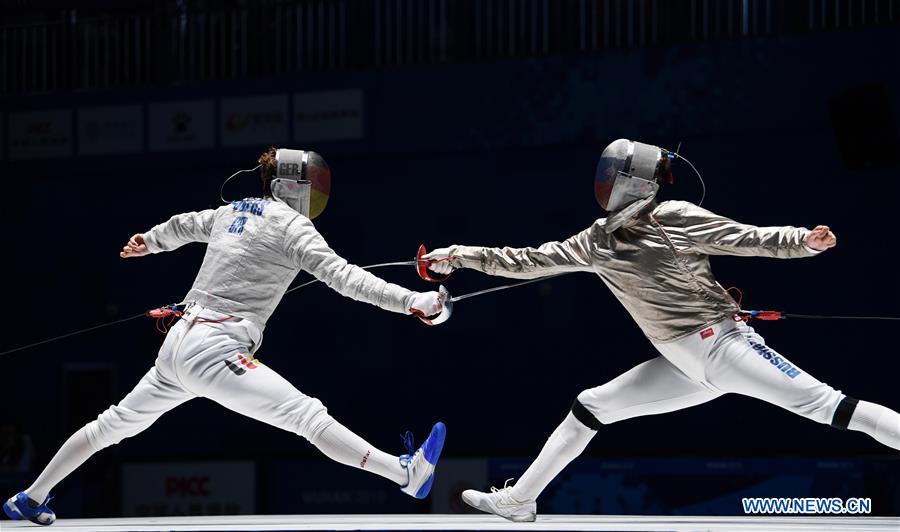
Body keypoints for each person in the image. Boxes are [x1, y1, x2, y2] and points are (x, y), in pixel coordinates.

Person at [424, 138, 900, 522]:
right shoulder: (596, 240)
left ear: (633, 183)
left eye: (613, 176)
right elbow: (526, 261)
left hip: (725, 347)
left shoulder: (675, 218)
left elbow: (747, 237)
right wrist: (460, 255)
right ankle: (519, 501)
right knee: (591, 406)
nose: (604, 184)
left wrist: (803, 241)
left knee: (834, 408)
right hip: (683, 364)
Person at [3, 148, 447, 526]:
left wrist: (151, 241)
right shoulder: (292, 227)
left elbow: (184, 224)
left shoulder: (232, 211)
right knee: (306, 415)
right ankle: (405, 475)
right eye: (312, 186)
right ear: (290, 186)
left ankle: (30, 497)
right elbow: (345, 278)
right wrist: (413, 301)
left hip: (177, 345)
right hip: (215, 349)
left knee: (111, 425)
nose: (316, 196)